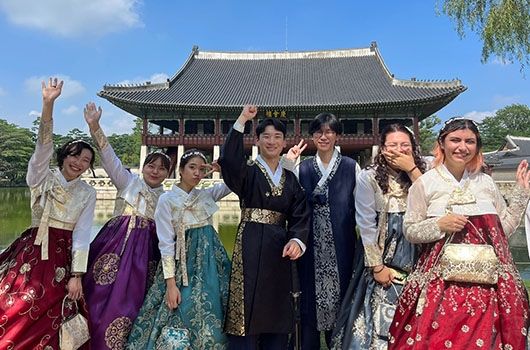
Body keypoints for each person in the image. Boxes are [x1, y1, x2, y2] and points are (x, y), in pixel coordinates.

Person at [389, 118, 530, 349]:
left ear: (477, 146)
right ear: (442, 143)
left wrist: (520, 196)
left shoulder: (485, 182)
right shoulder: (425, 183)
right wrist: (439, 225)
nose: (462, 147)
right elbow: (411, 230)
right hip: (440, 287)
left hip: (487, 287)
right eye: (455, 140)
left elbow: (501, 232)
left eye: (470, 141)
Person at [0, 78, 96, 349]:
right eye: (75, 156)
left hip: (62, 255)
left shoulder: (87, 193)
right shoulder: (42, 178)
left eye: (86, 160)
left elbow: (82, 234)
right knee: (21, 300)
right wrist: (48, 104)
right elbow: (42, 149)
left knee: (57, 305)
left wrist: (77, 274)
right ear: (64, 155)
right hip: (34, 249)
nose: (78, 163)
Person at [218, 105, 310, 349]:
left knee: (278, 304)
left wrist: (297, 240)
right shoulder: (247, 173)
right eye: (266, 136)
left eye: (277, 137)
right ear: (257, 140)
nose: (272, 141)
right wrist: (242, 120)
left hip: (280, 248)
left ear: (283, 141)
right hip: (249, 242)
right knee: (247, 299)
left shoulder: (290, 179)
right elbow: (228, 159)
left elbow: (300, 214)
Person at [82, 103, 170, 349]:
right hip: (114, 247)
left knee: (135, 302)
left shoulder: (165, 199)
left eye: (162, 168)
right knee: (98, 293)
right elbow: (108, 156)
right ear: (143, 167)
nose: (155, 171)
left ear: (167, 173)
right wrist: (95, 126)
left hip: (146, 257)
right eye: (151, 166)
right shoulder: (127, 182)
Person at [330, 124, 426, 349]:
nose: (399, 150)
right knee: (377, 311)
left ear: (413, 148)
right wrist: (376, 266)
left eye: (405, 145)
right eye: (392, 145)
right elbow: (365, 223)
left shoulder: (424, 173)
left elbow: (433, 202)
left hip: (418, 249)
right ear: (382, 148)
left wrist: (412, 170)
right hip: (382, 250)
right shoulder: (369, 177)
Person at [127, 149, 232, 349]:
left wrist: (223, 169)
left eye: (202, 169)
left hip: (211, 265)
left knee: (214, 311)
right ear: (181, 170)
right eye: (192, 167)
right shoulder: (167, 200)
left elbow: (232, 184)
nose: (197, 173)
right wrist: (170, 284)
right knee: (180, 311)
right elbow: (165, 243)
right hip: (181, 264)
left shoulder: (207, 195)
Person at [282, 113, 362, 348]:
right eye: (318, 132)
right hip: (310, 247)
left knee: (343, 300)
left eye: (329, 132)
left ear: (337, 136)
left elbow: (363, 209)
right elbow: (287, 199)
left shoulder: (350, 167)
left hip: (342, 245)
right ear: (312, 136)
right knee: (309, 303)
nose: (323, 136)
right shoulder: (304, 167)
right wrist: (288, 164)